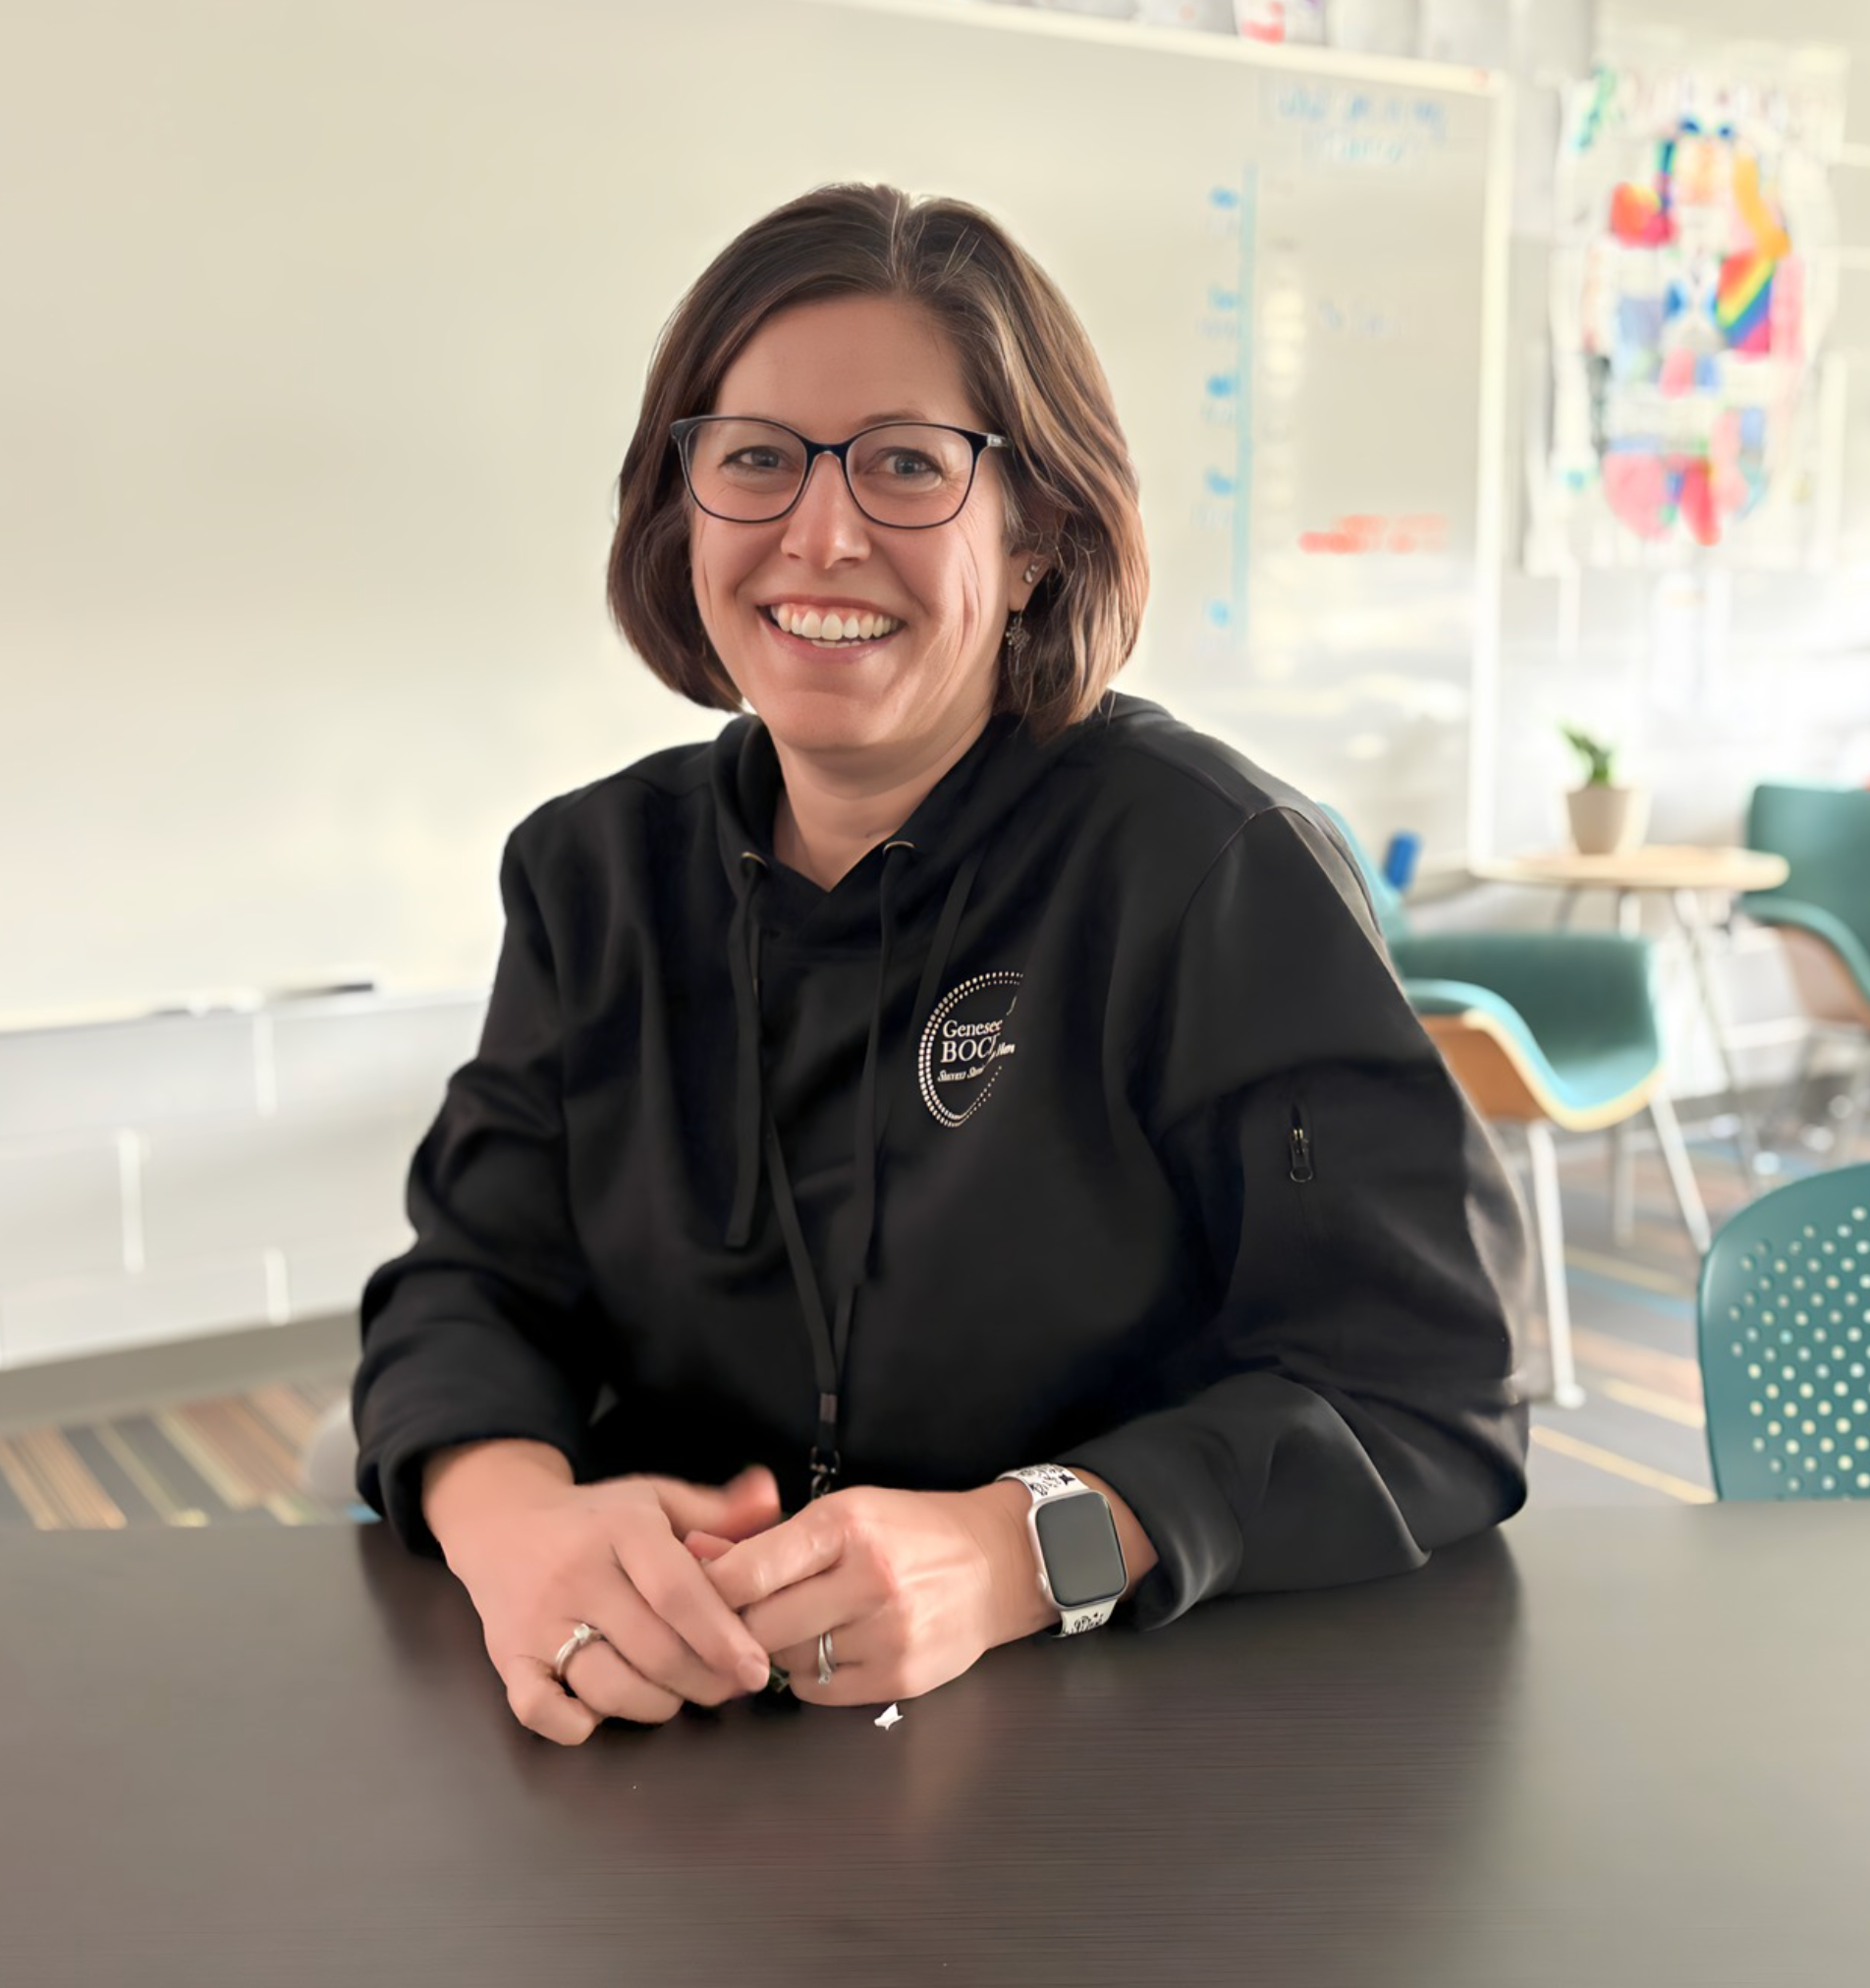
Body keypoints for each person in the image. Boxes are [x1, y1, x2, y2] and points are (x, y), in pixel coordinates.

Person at [353, 184, 1530, 1746]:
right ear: (680, 506)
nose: (819, 533)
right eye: (755, 459)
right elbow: (467, 1291)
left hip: (1116, 1734)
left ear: (1036, 535)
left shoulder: (1208, 870)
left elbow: (1425, 1395)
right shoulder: (591, 877)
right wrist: (516, 1535)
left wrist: (1017, 1548)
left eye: (907, 465)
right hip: (667, 1734)